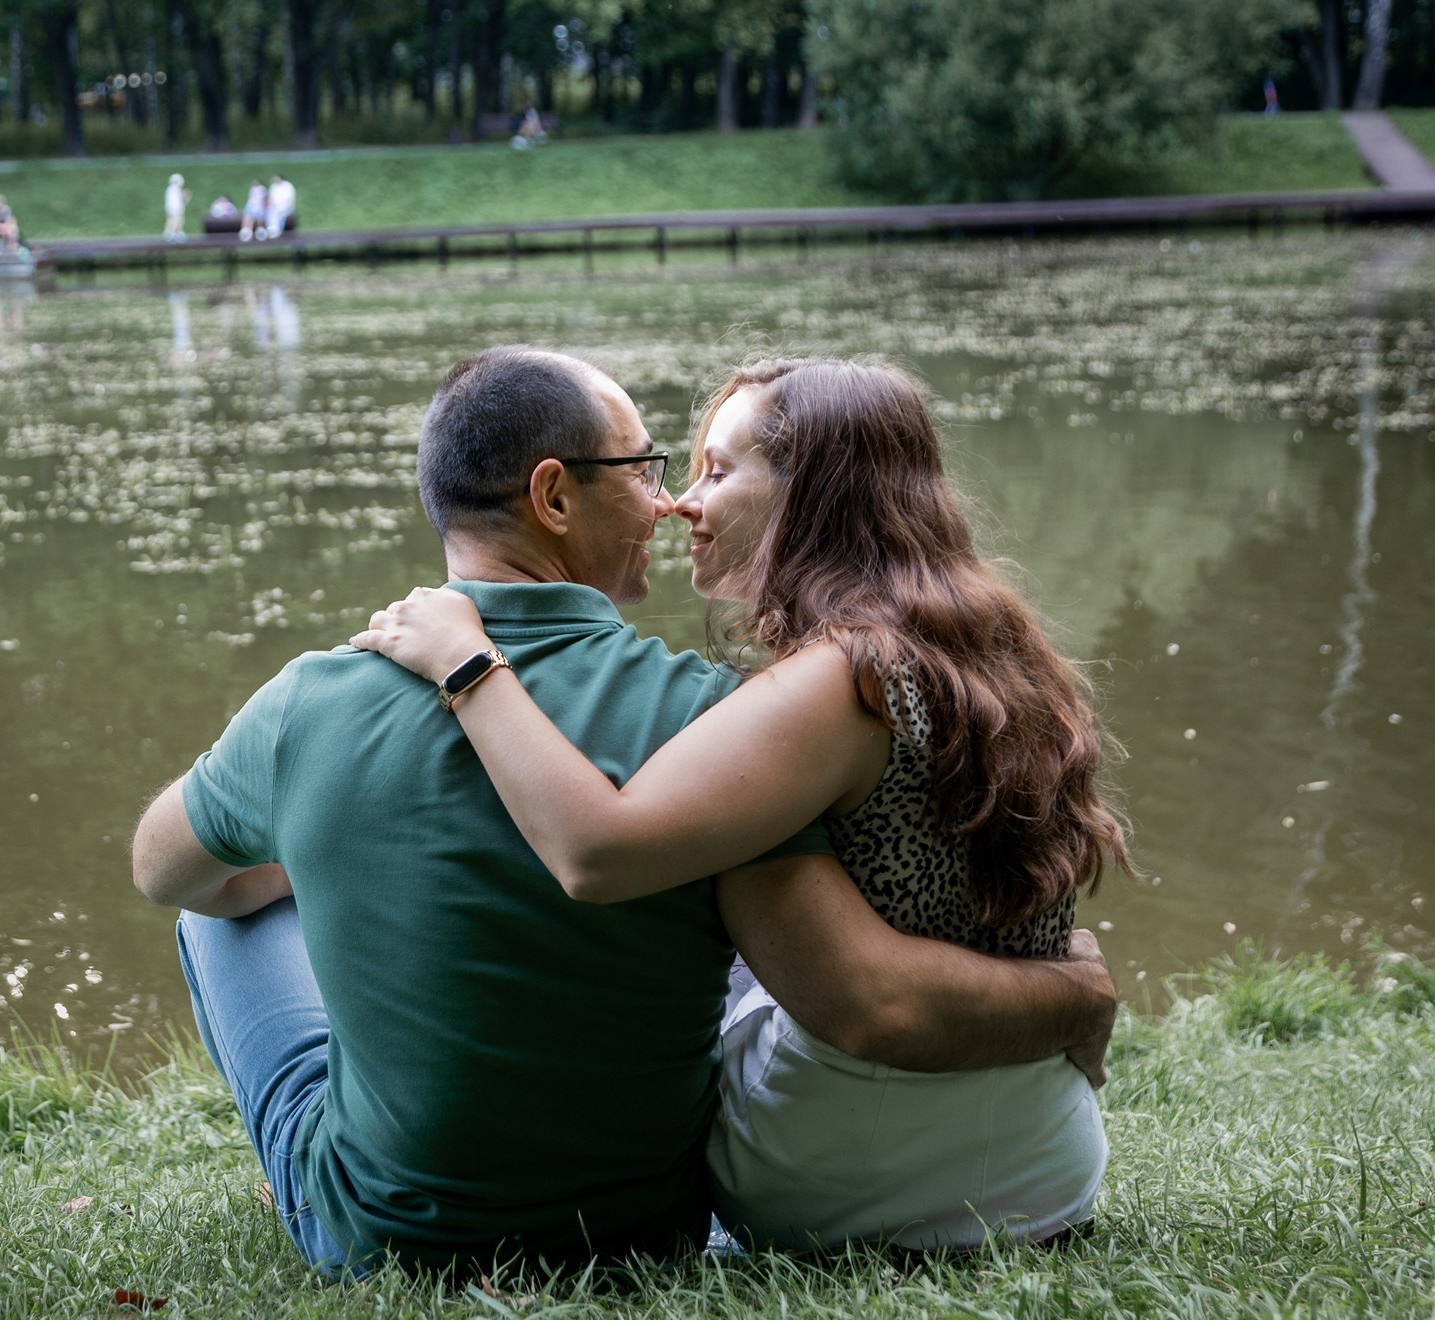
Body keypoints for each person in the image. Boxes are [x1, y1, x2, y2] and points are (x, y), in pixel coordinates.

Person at [133, 346, 1117, 1276]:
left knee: (217, 907)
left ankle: (324, 1157)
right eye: (652, 470)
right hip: (693, 1217)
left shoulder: (320, 700)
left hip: (416, 1224)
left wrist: (355, 808)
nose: (673, 501)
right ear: (553, 496)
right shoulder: (790, 691)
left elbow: (160, 866)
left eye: (701, 470)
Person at [264, 173, 296, 239]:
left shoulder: (287, 186)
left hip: (286, 207)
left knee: (279, 215)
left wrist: (280, 205)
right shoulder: (273, 186)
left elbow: (288, 199)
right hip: (275, 208)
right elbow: (270, 198)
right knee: (270, 214)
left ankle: (278, 231)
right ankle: (271, 230)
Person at [163, 172, 191, 243]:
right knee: (175, 219)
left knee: (174, 220)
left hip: (173, 208)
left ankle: (174, 233)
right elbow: (183, 200)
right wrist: (187, 195)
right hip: (175, 208)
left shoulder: (170, 189)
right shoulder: (175, 190)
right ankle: (171, 234)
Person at [240, 177, 269, 241]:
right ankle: (247, 232)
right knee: (248, 219)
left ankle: (256, 232)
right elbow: (250, 201)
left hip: (259, 210)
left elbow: (264, 201)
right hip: (252, 209)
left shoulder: (262, 189)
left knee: (259, 220)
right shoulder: (253, 189)